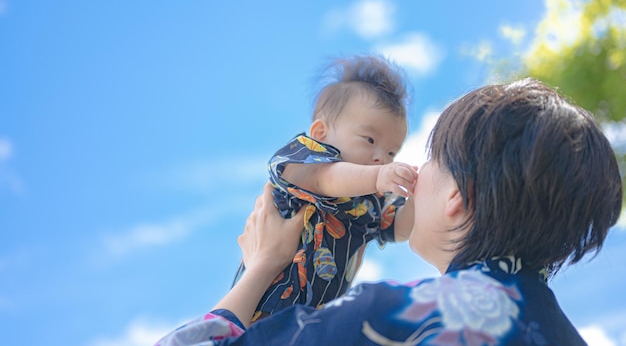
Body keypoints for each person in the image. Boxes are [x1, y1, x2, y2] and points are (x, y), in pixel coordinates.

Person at [155, 78, 623, 346]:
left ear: (460, 195)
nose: (412, 172)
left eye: (430, 158)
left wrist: (260, 269)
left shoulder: (391, 316)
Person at [232, 54, 418, 322]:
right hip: (259, 312)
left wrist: (414, 199)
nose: (382, 158)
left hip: (313, 326)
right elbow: (325, 179)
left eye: (391, 151)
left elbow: (399, 229)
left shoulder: (374, 199)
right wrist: (379, 176)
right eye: (369, 139)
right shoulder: (303, 159)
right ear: (320, 133)